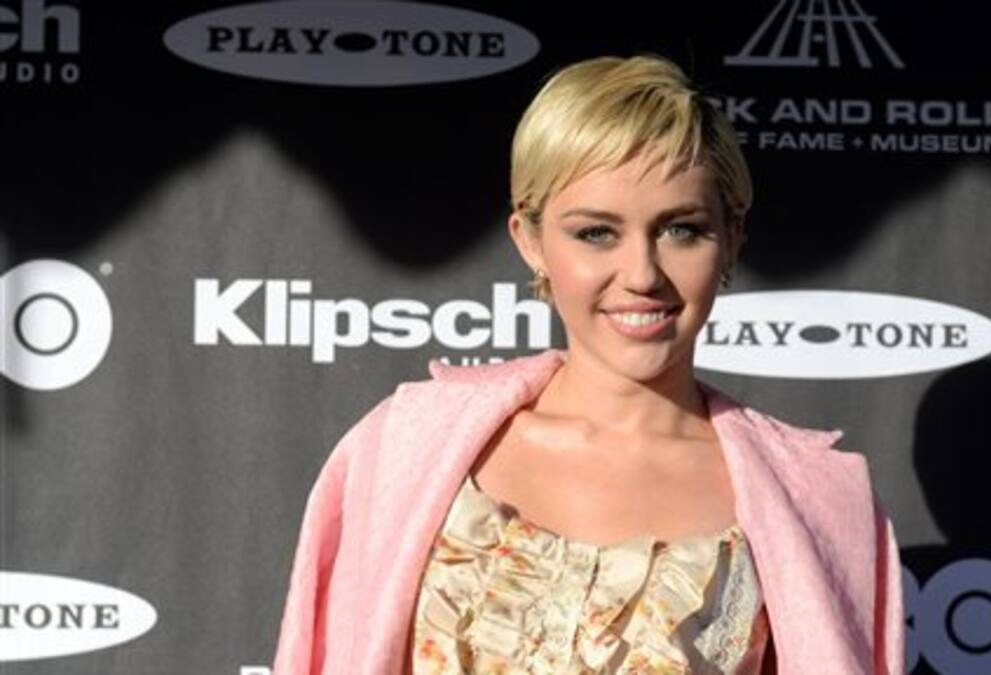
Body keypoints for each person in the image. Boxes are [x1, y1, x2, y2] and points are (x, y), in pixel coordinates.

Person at [271, 54, 905, 674]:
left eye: (681, 229)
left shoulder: (819, 500)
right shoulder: (401, 447)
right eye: (596, 233)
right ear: (530, 240)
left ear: (732, 238)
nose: (642, 274)